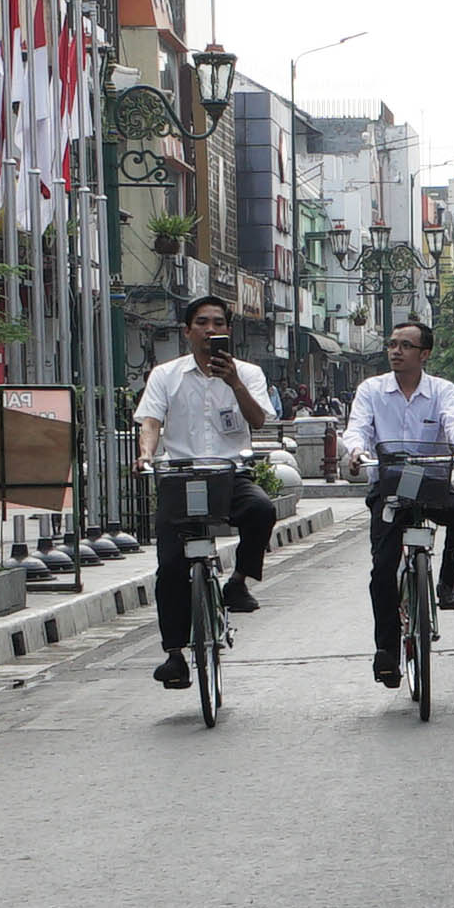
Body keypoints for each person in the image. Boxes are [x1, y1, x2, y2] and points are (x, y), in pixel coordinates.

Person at [134, 293, 280, 691]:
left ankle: (239, 581)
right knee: (170, 567)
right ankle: (174, 654)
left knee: (261, 510)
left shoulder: (248, 373)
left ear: (228, 330)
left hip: (229, 475)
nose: (209, 330)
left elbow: (258, 420)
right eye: (201, 323)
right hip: (179, 478)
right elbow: (151, 421)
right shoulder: (165, 375)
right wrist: (146, 455)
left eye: (218, 323)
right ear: (187, 331)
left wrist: (233, 382)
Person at [340, 319, 454, 685]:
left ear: (424, 354)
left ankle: (447, 584)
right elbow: (358, 428)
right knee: (383, 571)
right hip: (388, 488)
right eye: (392, 344)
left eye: (405, 345)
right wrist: (356, 451)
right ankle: (387, 652)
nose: (396, 351)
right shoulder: (371, 390)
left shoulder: (441, 391)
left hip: (429, 484)